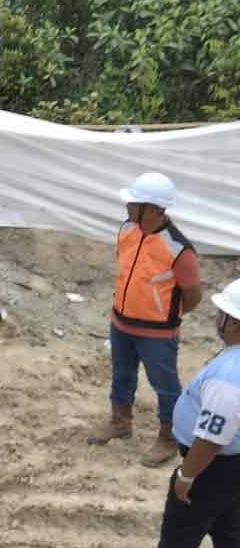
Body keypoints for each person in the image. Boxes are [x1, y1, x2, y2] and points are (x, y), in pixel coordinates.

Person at [88, 172, 202, 467]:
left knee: (165, 386)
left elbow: (193, 296)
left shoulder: (179, 249)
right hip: (121, 323)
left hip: (157, 334)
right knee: (122, 375)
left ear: (153, 209)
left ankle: (168, 438)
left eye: (133, 203)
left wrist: (165, 316)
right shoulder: (127, 230)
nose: (127, 208)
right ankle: (120, 421)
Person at [145, 278, 240, 548]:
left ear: (234, 323)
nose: (218, 319)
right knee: (232, 541)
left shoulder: (228, 375)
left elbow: (212, 438)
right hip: (233, 469)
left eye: (222, 314)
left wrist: (187, 475)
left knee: (176, 546)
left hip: (212, 469)